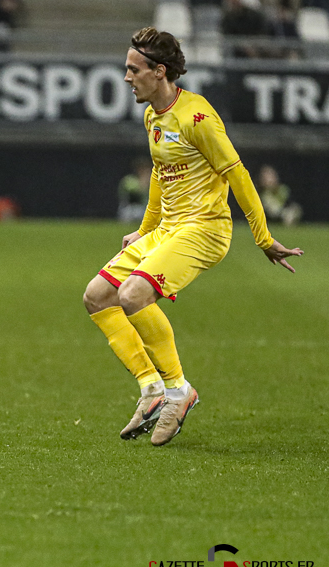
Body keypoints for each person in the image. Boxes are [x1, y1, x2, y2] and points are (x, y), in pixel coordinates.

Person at [82, 27, 302, 447]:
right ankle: (151, 388)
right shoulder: (152, 115)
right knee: (96, 296)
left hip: (204, 229)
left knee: (131, 296)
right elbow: (161, 182)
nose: (126, 77)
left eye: (133, 69)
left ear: (158, 71)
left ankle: (178, 391)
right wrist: (144, 231)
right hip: (167, 229)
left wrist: (262, 237)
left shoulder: (197, 117)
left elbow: (238, 175)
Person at [116, 157, 151, 223]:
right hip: (129, 209)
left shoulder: (152, 181)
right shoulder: (129, 179)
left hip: (143, 209)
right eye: (141, 168)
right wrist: (144, 179)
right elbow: (138, 191)